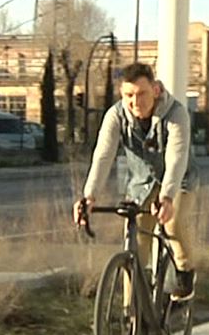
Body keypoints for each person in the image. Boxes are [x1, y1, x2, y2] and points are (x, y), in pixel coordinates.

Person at [73, 62, 198, 301]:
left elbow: (176, 158)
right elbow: (103, 155)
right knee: (134, 247)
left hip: (179, 181)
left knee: (173, 223)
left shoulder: (176, 113)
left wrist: (167, 197)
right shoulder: (116, 115)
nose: (135, 102)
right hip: (142, 185)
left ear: (156, 90)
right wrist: (88, 196)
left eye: (142, 94)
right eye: (129, 95)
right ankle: (132, 318)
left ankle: (185, 269)